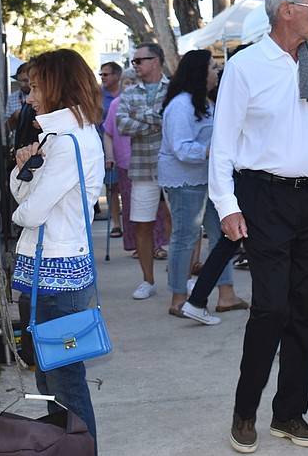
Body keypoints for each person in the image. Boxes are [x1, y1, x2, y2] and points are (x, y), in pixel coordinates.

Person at [210, 0, 308, 453]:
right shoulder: (246, 65)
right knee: (270, 308)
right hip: (263, 199)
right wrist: (227, 206)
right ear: (285, 10)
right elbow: (223, 144)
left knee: (303, 312)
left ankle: (289, 414)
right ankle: (244, 412)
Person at [9, 49, 104, 448]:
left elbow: (29, 213)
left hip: (57, 276)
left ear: (54, 87)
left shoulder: (67, 142)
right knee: (51, 378)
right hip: (49, 273)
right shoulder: (60, 136)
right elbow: (22, 194)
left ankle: (81, 449)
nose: (28, 97)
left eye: (33, 88)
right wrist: (22, 169)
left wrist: (22, 198)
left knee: (64, 381)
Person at [157, 48, 247, 322]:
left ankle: (226, 294)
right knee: (185, 238)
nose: (216, 71)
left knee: (223, 236)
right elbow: (181, 148)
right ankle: (178, 297)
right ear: (199, 72)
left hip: (209, 180)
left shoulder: (205, 102)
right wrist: (215, 151)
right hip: (186, 180)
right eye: (211, 67)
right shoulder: (181, 105)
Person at [116, 42, 171, 299]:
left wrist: (141, 115)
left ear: (156, 61)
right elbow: (122, 125)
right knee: (142, 224)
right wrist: (155, 119)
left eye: (139, 60)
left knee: (180, 222)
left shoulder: (173, 89)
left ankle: (183, 276)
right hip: (142, 168)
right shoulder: (128, 94)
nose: (134, 65)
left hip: (172, 167)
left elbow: (170, 121)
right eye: (133, 61)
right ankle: (148, 280)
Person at [103, 69, 170, 256]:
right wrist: (110, 157)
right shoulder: (117, 104)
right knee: (133, 209)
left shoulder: (153, 100)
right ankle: (139, 248)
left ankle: (157, 244)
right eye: (126, 82)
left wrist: (139, 119)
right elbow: (110, 131)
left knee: (160, 209)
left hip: (153, 160)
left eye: (133, 82)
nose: (129, 86)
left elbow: (166, 122)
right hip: (126, 162)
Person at [99, 62, 123, 234]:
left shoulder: (126, 93)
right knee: (111, 185)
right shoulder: (98, 95)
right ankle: (116, 223)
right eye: (101, 75)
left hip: (126, 145)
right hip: (106, 145)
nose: (103, 78)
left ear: (116, 75)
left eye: (106, 74)